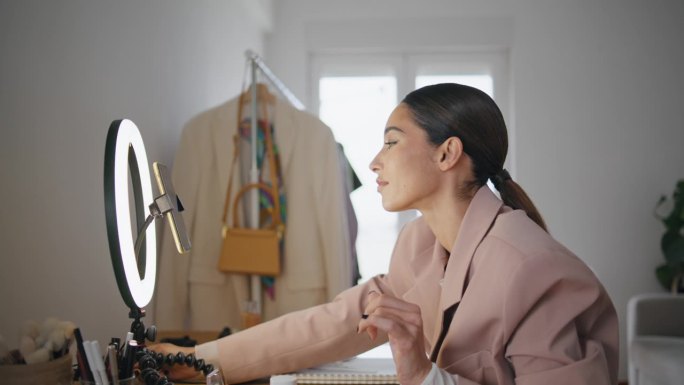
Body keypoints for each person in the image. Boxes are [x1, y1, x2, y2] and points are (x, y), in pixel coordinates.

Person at [152, 83, 619, 385]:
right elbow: (333, 323)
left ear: (447, 154)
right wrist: (198, 361)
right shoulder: (418, 245)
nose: (374, 161)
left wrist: (422, 376)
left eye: (392, 142)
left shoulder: (536, 271)